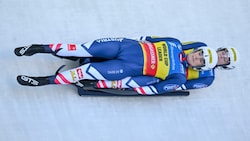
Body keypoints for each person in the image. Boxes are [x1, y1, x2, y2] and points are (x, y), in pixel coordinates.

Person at [15, 36, 218, 94]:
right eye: (199, 53)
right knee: (81, 48)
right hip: (124, 47)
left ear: (199, 67)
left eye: (200, 60)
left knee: (85, 71)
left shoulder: (180, 76)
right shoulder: (174, 43)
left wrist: (122, 85)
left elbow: (153, 89)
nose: (196, 57)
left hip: (125, 68)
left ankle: (42, 81)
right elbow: (146, 38)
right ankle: (38, 48)